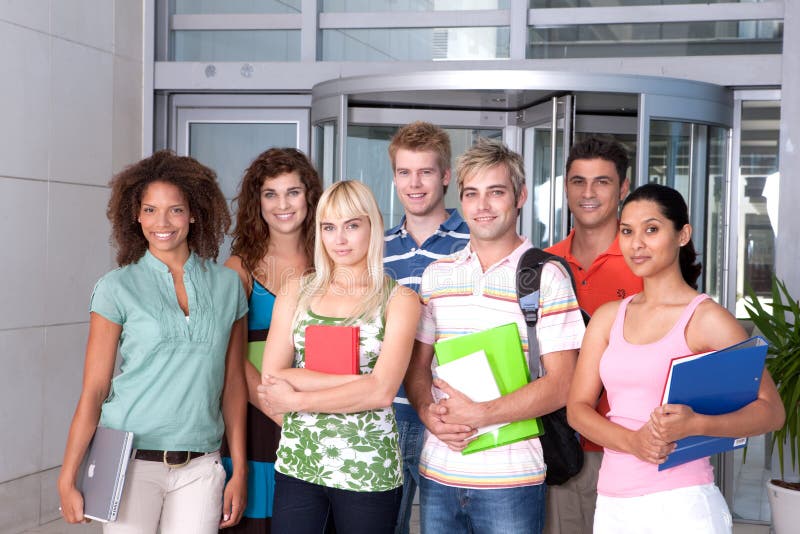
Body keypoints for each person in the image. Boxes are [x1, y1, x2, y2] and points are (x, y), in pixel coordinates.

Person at [567, 183, 785, 534]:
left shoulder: (707, 319)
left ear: (683, 234)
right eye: (627, 231)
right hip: (612, 504)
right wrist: (633, 443)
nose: (636, 243)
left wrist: (697, 424)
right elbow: (577, 409)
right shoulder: (608, 318)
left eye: (651, 229)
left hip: (682, 505)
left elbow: (771, 411)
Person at [57, 151, 249, 533]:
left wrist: (238, 469)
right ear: (136, 215)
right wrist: (67, 476)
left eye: (175, 210)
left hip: (202, 465)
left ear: (194, 213)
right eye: (150, 210)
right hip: (128, 462)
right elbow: (94, 390)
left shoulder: (228, 286)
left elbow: (233, 385)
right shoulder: (116, 288)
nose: (162, 223)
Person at [405, 138, 586, 533]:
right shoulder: (437, 277)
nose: (482, 206)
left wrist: (480, 414)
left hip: (512, 480)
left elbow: (563, 384)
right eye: (471, 194)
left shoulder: (545, 277)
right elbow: (417, 367)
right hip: (439, 473)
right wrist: (426, 413)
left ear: (520, 196)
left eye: (496, 192)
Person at [257, 180, 421, 534]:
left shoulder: (400, 300)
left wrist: (298, 397)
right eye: (329, 227)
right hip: (300, 463)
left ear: (373, 226)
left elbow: (381, 393)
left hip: (368, 468)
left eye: (352, 225)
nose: (339, 239)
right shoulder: (295, 292)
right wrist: (359, 383)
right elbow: (272, 379)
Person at [544, 137, 643, 534]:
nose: (588, 193)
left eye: (601, 182)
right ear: (565, 186)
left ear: (623, 188)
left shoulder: (645, 262)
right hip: (562, 450)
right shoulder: (543, 264)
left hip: (628, 448)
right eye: (578, 181)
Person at [221, 148, 323, 533]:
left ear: (310, 198)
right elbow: (232, 359)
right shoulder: (239, 267)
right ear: (257, 202)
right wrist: (279, 412)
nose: (283, 204)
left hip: (319, 413)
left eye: (293, 192)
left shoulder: (331, 262)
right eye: (271, 194)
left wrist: (309, 412)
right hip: (259, 419)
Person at [384, 121, 470, 533]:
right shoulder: (374, 249)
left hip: (455, 417)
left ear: (446, 176)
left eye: (426, 172)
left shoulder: (476, 241)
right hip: (387, 417)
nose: (414, 183)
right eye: (404, 172)